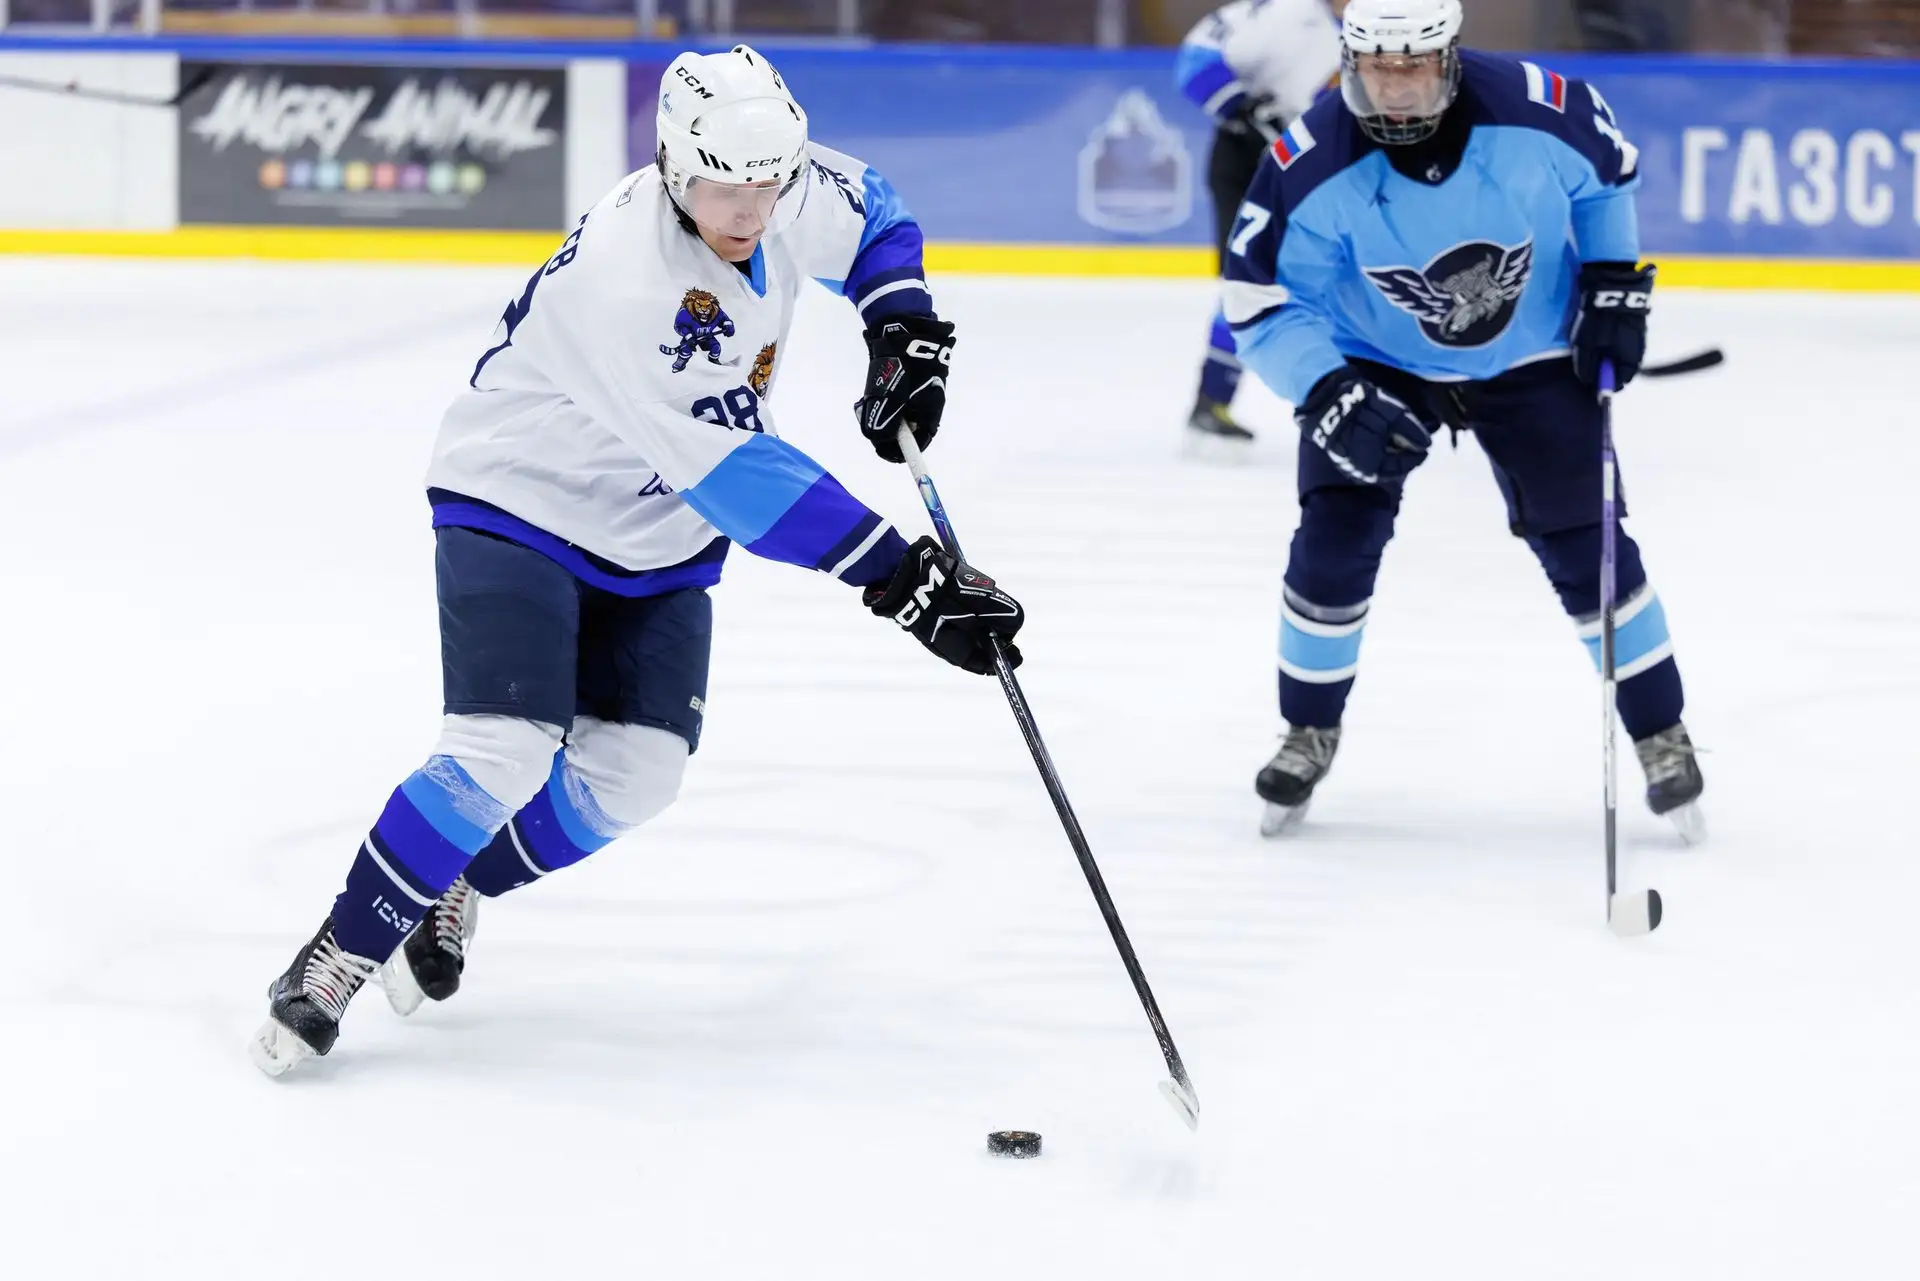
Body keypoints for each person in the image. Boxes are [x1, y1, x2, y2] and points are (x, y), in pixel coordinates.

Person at [250, 45, 1027, 1076]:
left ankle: (457, 880)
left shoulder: (770, 176)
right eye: (725, 187)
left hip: (657, 531)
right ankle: (338, 954)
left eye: (769, 184)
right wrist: (901, 578)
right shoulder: (634, 278)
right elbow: (738, 475)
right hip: (522, 497)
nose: (751, 209)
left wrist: (902, 326)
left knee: (638, 775)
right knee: (503, 746)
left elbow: (877, 216)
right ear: (671, 164)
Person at [1223, 0, 1705, 838]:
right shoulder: (1310, 157)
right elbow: (1258, 298)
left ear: (1448, 57)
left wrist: (1612, 281)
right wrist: (1325, 388)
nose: (1395, 87)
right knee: (1332, 542)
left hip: (1530, 351)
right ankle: (1307, 728)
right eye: (1378, 67)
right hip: (1375, 358)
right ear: (1351, 61)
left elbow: (1606, 176)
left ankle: (1662, 732)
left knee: (1589, 546)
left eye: (1413, 65)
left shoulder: (1536, 107)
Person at [1174, 0, 1344, 454]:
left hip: (1312, 170)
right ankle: (1211, 401)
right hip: (1248, 163)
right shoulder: (1290, 13)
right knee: (1246, 282)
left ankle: (1346, 403)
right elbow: (1197, 59)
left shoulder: (1377, 30)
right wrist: (1243, 109)